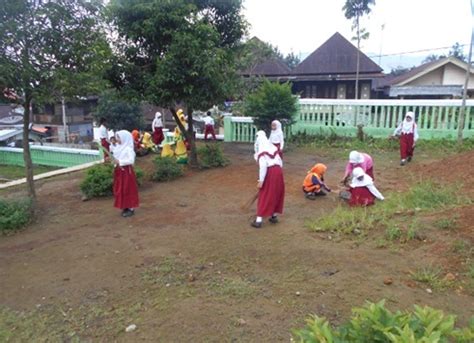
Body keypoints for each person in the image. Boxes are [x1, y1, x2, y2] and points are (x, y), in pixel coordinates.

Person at [252, 130, 285, 228]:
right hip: (279, 172)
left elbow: (263, 167)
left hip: (270, 172)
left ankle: (258, 220)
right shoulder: (274, 148)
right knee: (276, 192)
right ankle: (274, 216)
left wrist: (261, 181)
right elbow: (280, 162)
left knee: (264, 194)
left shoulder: (262, 152)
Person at [112, 130, 139, 217]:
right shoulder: (118, 148)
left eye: (119, 137)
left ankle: (130, 207)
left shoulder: (128, 149)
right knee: (121, 188)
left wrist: (120, 161)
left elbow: (131, 160)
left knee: (128, 188)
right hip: (119, 171)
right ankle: (124, 206)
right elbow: (116, 159)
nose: (117, 139)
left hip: (127, 172)